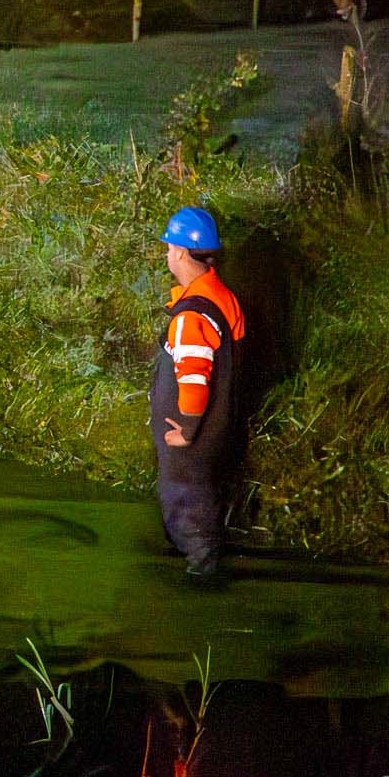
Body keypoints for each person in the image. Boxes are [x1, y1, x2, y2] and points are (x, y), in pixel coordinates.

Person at [150, 206, 246, 577]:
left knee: (186, 501)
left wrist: (186, 432)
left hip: (191, 433)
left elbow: (194, 380)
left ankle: (201, 577)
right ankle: (200, 559)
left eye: (169, 247)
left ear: (179, 252)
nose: (167, 254)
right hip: (220, 427)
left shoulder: (191, 317)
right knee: (204, 494)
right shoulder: (221, 296)